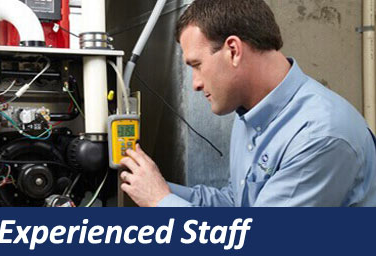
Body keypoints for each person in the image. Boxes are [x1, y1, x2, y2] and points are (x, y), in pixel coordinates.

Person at [119, 0, 376, 207]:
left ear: (233, 50)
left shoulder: (320, 136)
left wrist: (160, 201)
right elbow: (235, 203)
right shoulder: (251, 116)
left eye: (197, 65)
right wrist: (155, 186)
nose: (195, 84)